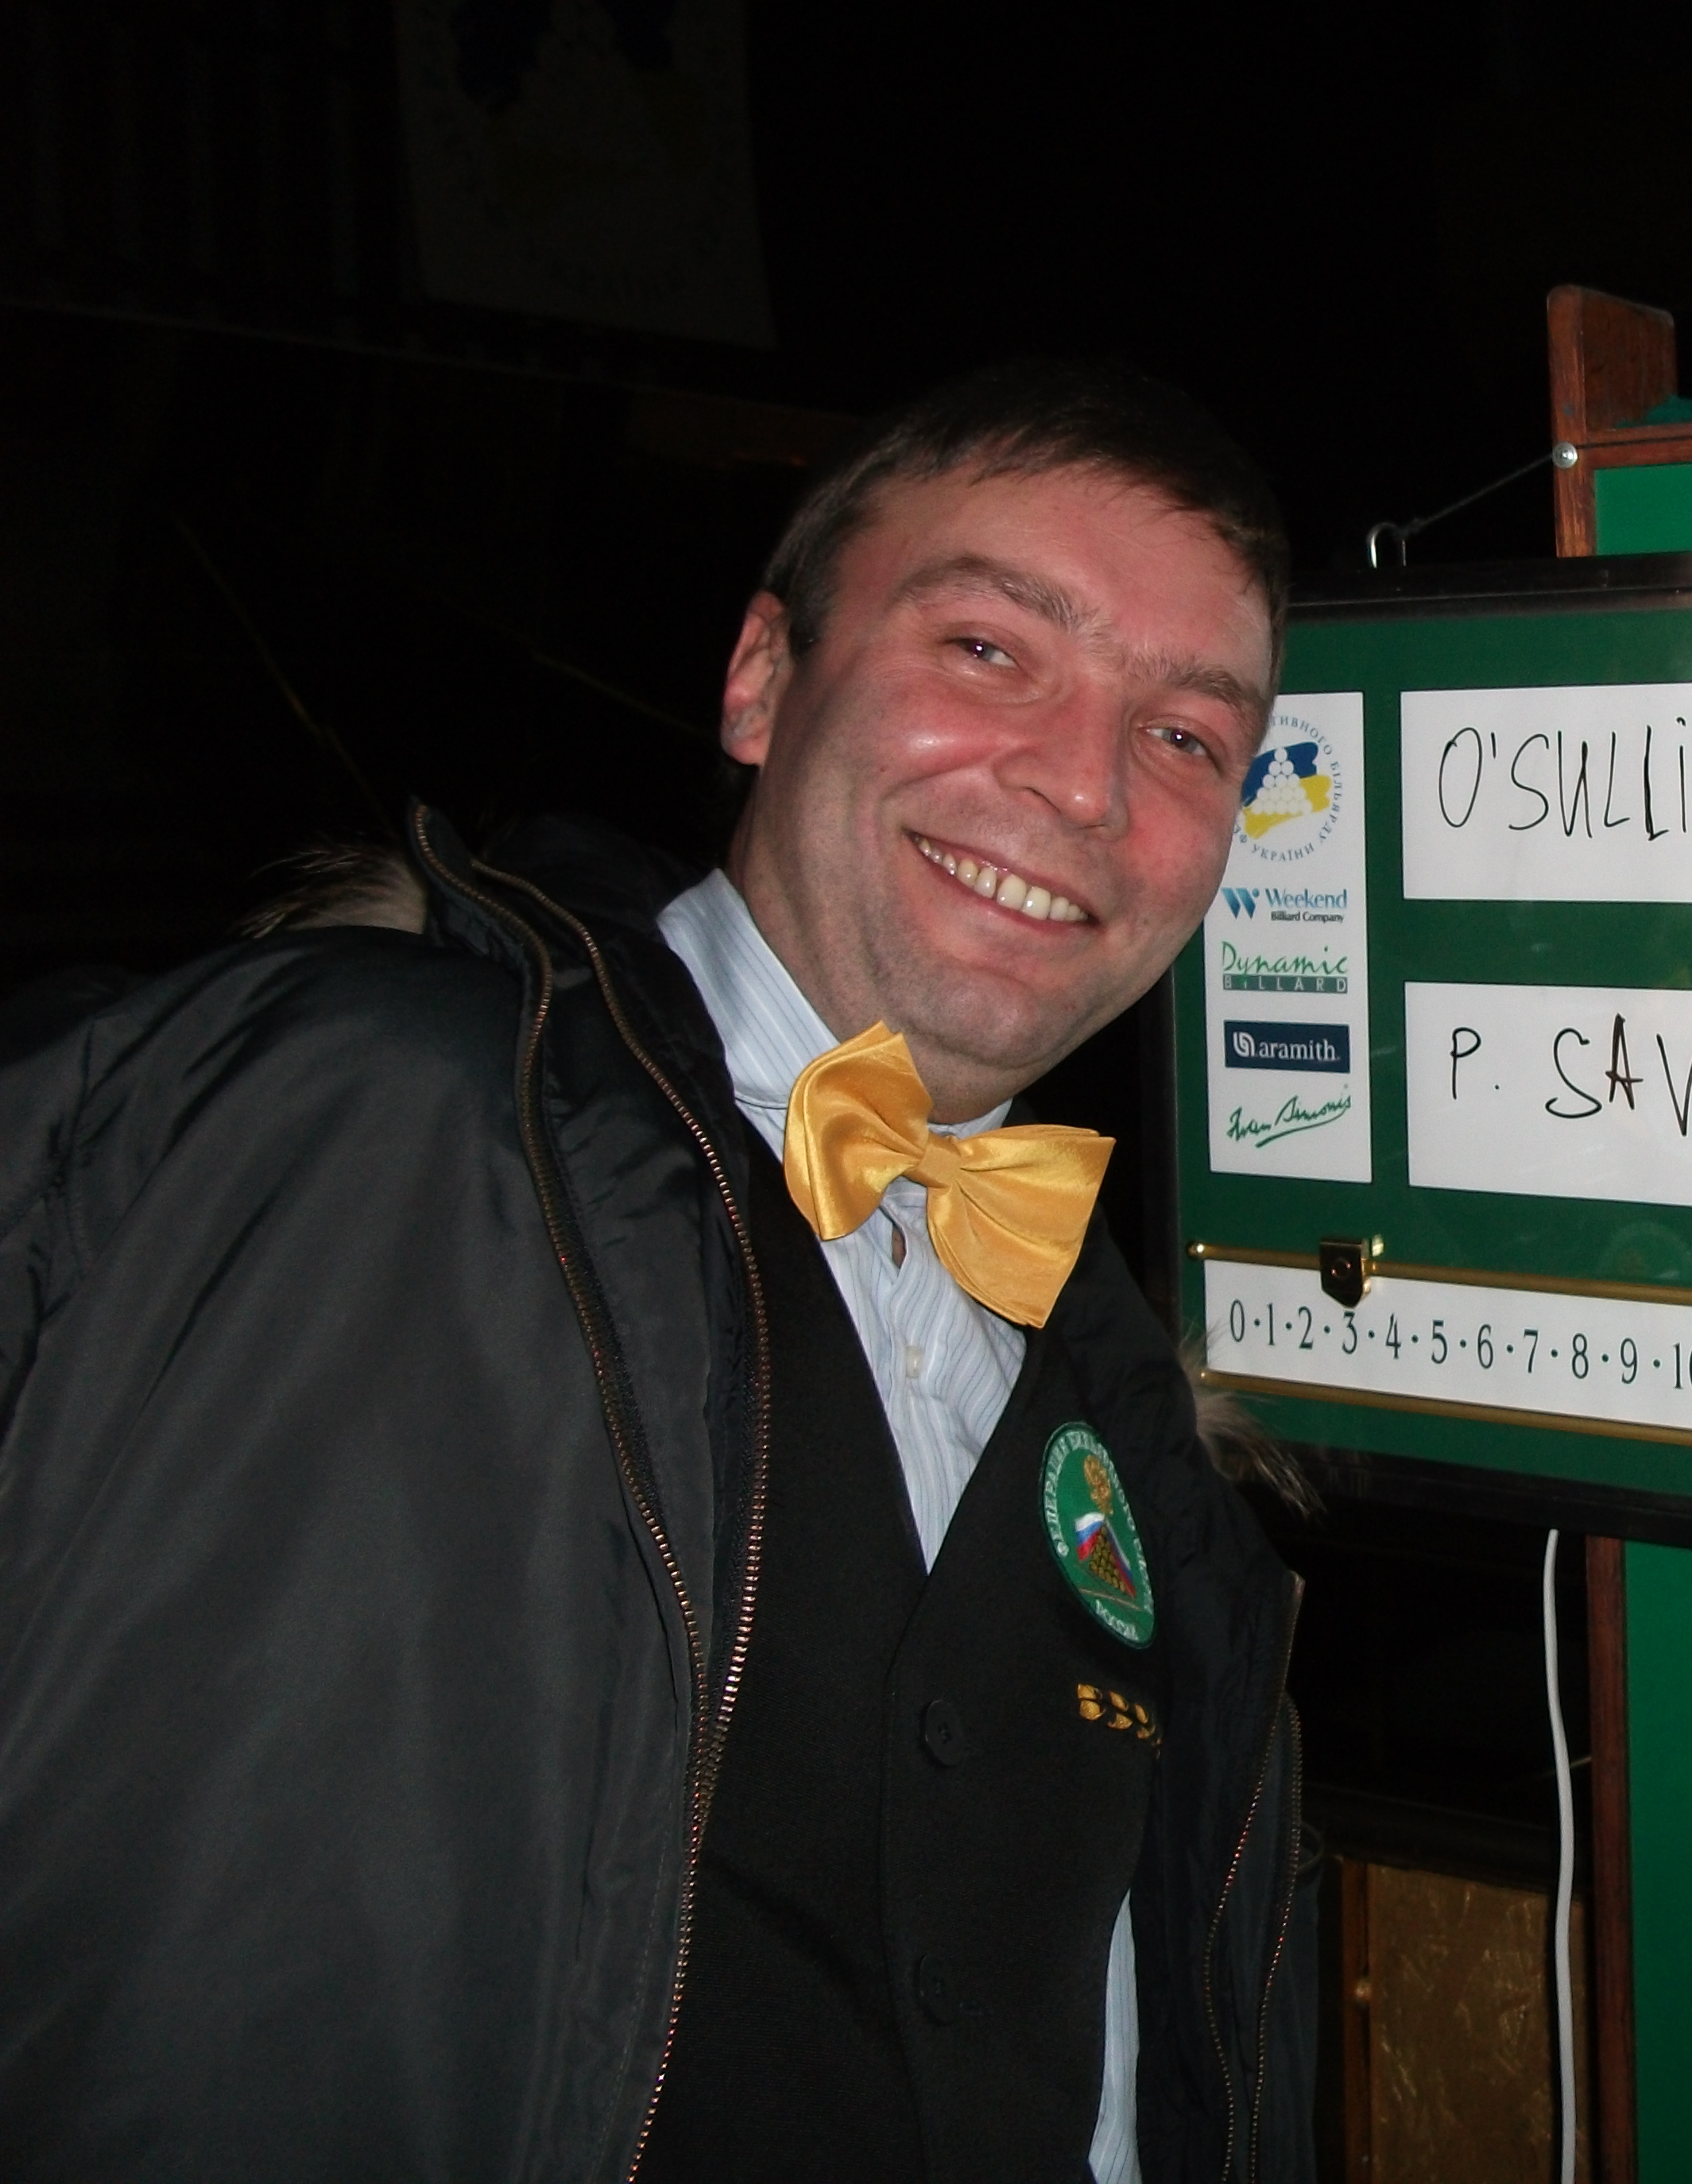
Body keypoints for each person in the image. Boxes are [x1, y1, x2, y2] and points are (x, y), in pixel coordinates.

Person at [0, 362, 1311, 2182]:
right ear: (761, 679)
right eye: (990, 650)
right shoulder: (384, 1125)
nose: (1083, 784)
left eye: (1182, 738)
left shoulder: (1141, 1431)